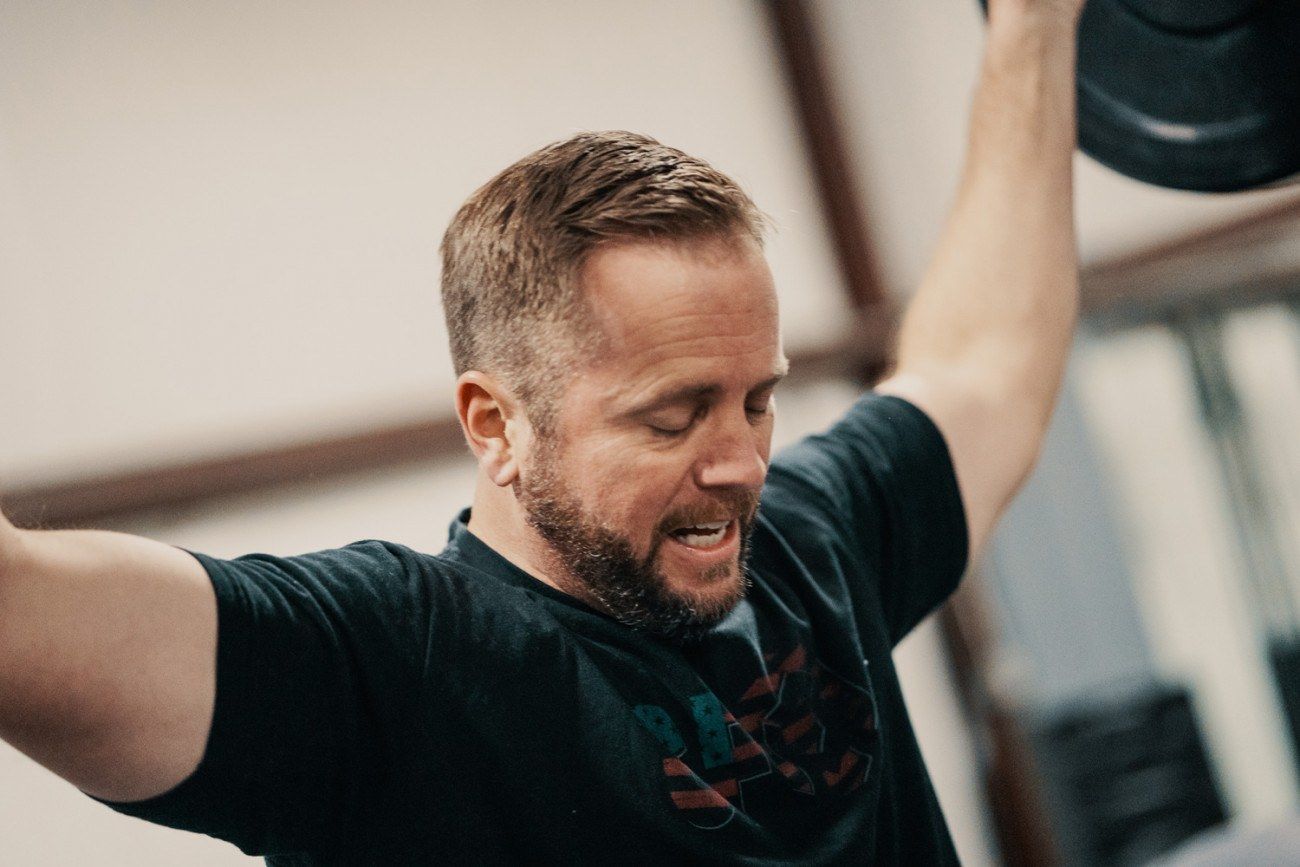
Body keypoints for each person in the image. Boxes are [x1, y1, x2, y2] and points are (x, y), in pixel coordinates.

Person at [0, 0, 1084, 862]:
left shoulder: (809, 545)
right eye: (672, 416)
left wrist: (1033, 21)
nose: (740, 462)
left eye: (757, 398)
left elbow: (984, 358)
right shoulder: (392, 674)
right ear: (495, 424)